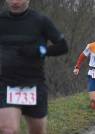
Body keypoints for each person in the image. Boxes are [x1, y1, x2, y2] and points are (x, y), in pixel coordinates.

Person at [0, 0, 68, 134]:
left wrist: (40, 51)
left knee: (37, 131)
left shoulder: (41, 20)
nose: (15, 1)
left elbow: (62, 46)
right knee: (7, 129)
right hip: (7, 83)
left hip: (34, 84)